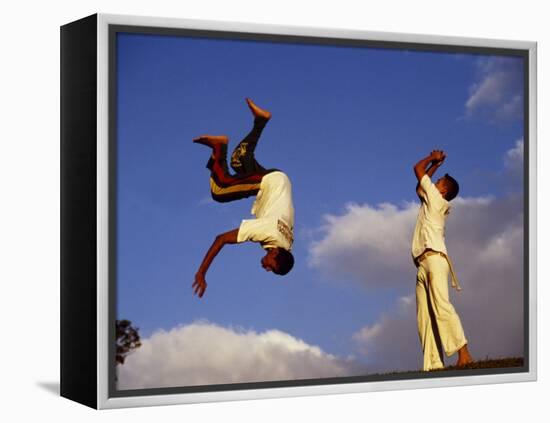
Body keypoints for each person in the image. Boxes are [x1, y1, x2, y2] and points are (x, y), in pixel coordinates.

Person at [191, 98, 295, 298]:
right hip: (268, 182)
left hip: (280, 180)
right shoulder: (266, 232)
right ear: (274, 254)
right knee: (220, 191)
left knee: (239, 160)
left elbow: (287, 254)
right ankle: (219, 147)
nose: (266, 269)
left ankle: (261, 120)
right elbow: (220, 239)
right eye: (271, 267)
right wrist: (202, 272)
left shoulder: (287, 244)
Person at [412, 149, 473, 370]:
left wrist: (431, 160)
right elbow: (420, 185)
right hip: (422, 262)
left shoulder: (437, 200)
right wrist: (436, 166)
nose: (435, 181)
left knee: (442, 307)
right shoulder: (431, 199)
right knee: (425, 317)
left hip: (435, 259)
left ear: (444, 190)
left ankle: (464, 353)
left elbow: (418, 170)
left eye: (438, 181)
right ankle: (433, 365)